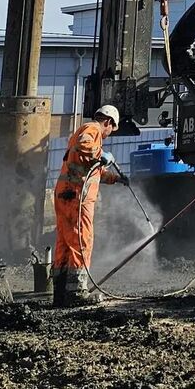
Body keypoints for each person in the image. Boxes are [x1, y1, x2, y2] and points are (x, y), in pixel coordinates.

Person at [52, 104, 128, 306]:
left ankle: (60, 294)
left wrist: (115, 179)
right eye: (112, 129)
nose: (109, 134)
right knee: (81, 241)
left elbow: (94, 170)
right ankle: (76, 293)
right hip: (77, 195)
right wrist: (101, 155)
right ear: (108, 122)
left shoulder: (82, 131)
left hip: (65, 193)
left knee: (65, 242)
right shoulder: (92, 129)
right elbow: (86, 148)